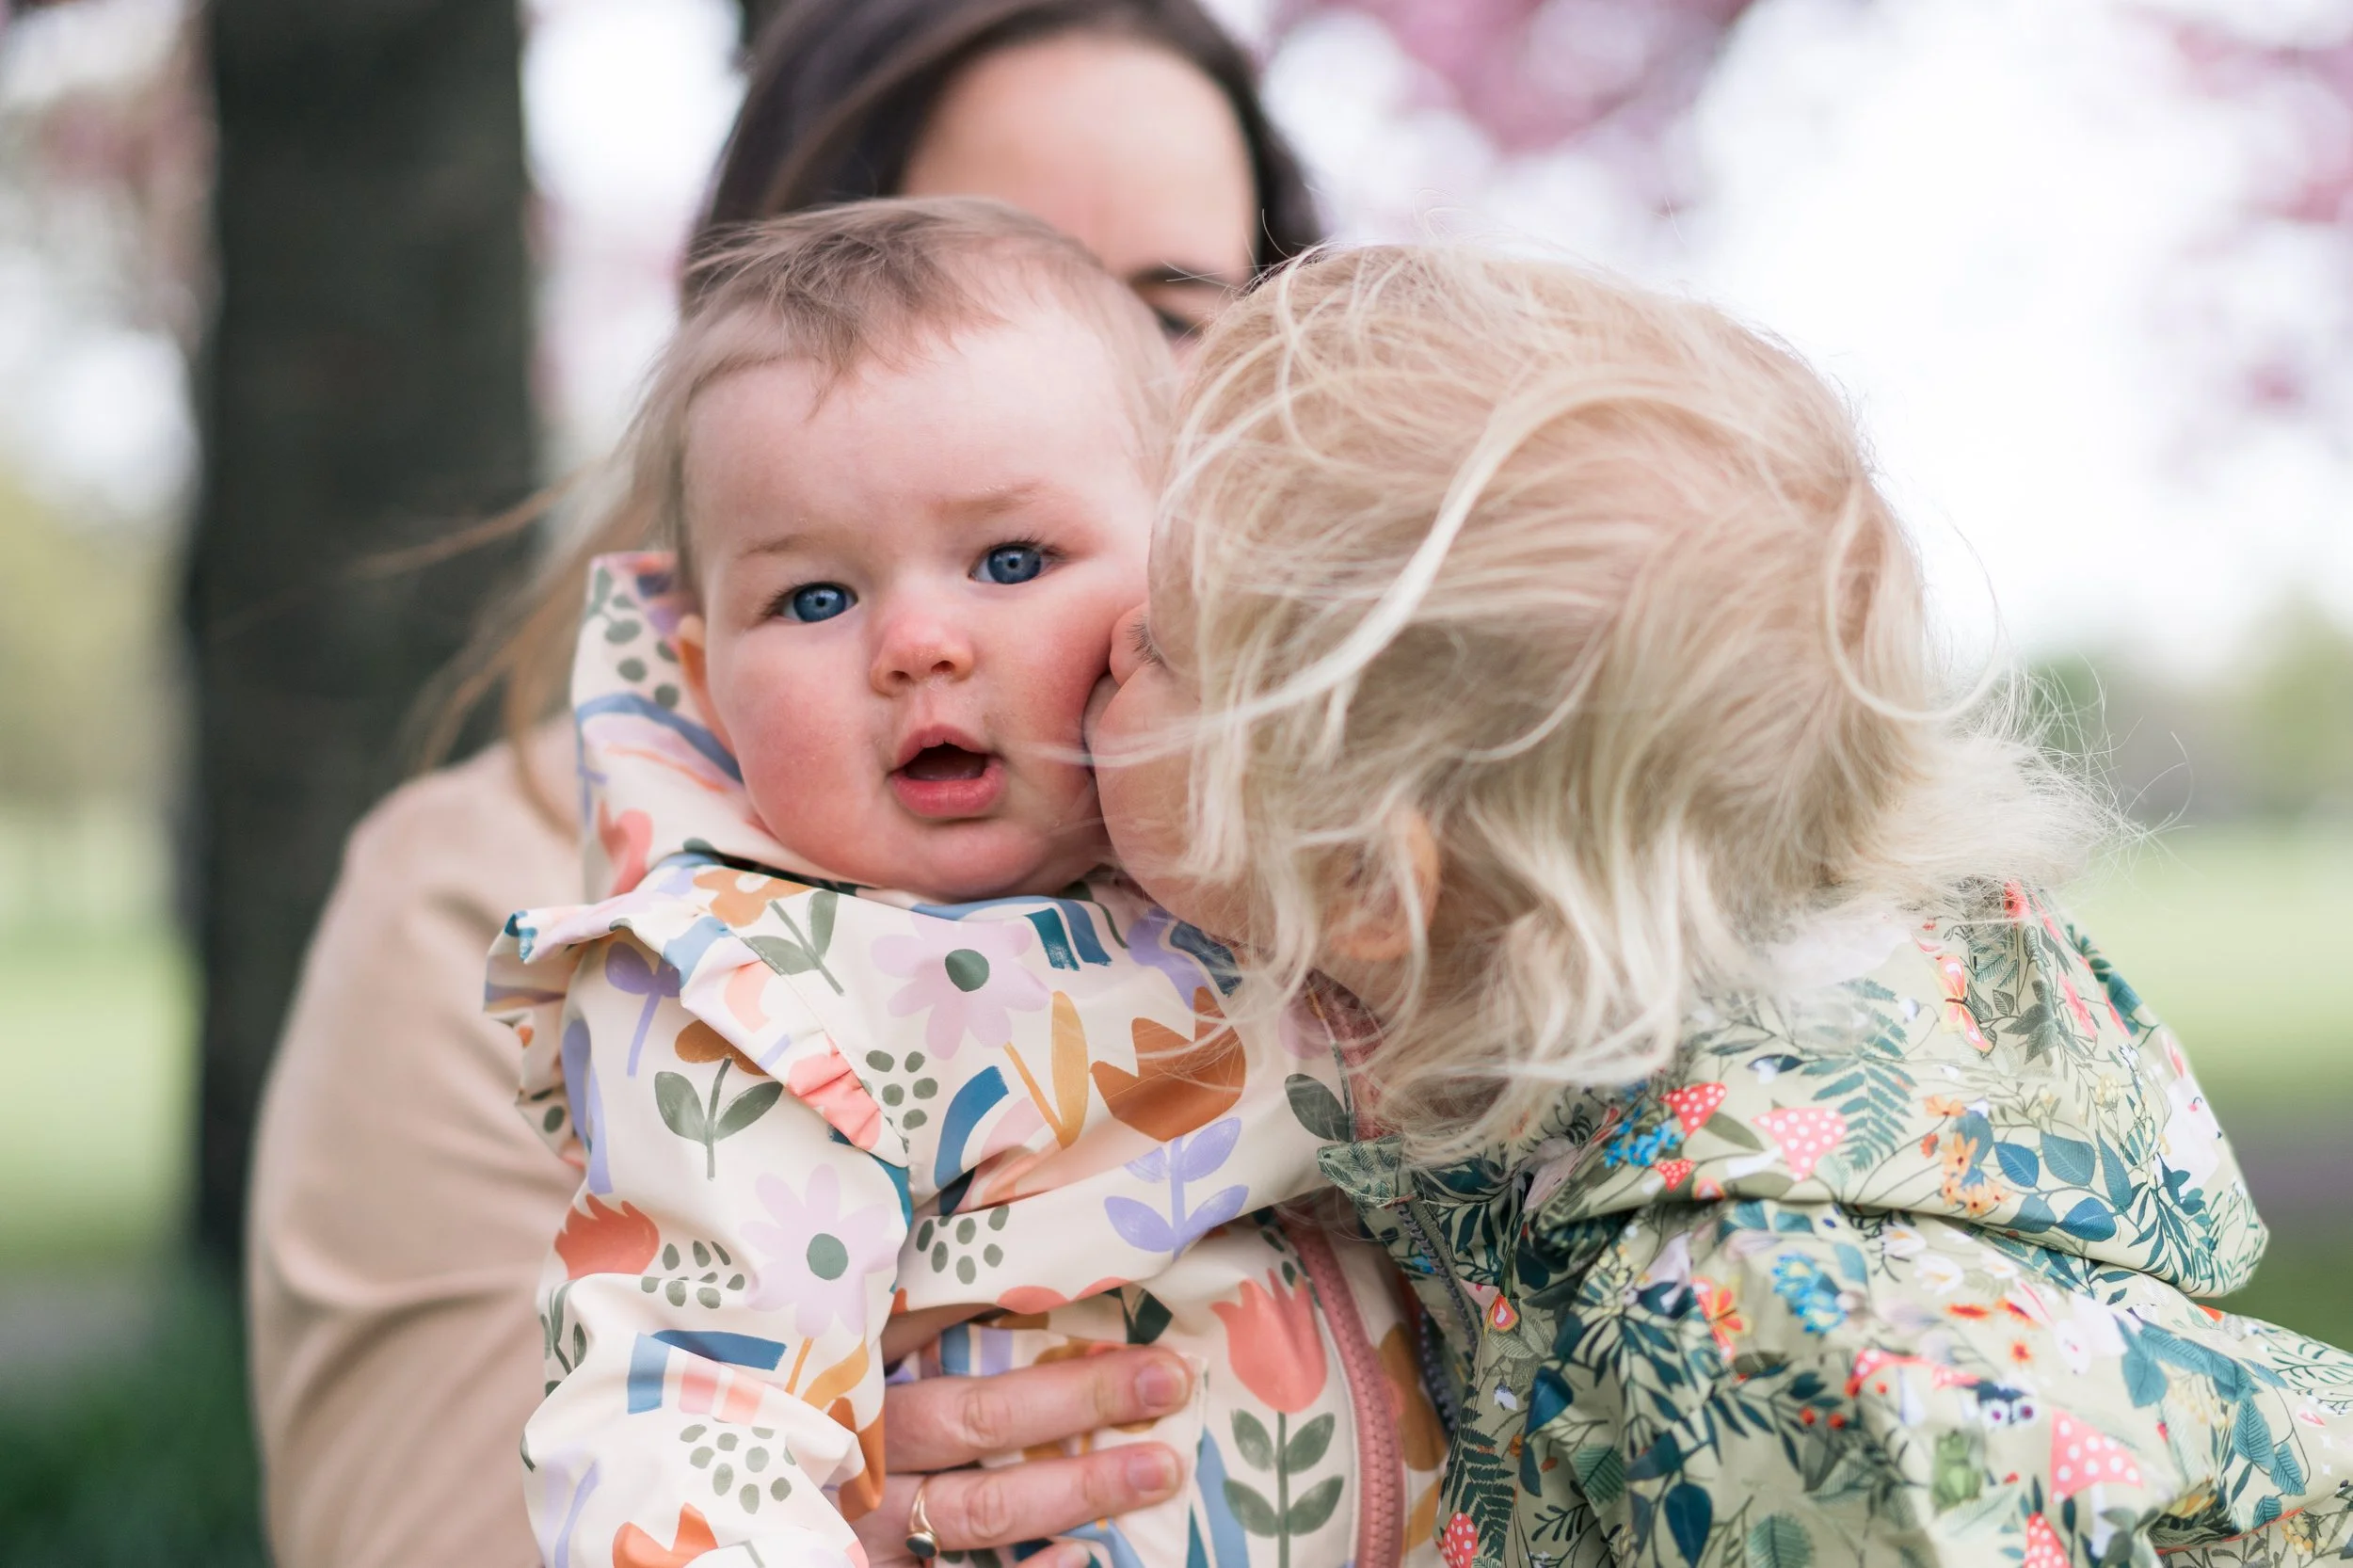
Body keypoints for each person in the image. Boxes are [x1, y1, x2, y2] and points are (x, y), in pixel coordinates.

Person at [243, 6, 1323, 1566]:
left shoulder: (1351, 857)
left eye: (1168, 308)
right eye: (982, 272)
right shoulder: (507, 907)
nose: (1072, 382)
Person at [1088, 248, 2353, 1565]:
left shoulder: (1763, 1342)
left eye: (1168, 650)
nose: (1111, 631)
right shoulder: (1752, 1064)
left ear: (1365, 885)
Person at [490, 199, 1440, 1568]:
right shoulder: (759, 1003)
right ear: (709, 686)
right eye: (816, 598)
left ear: (1181, 576)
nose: (918, 643)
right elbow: (684, 1412)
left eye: (1011, 561)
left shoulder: (1280, 865)